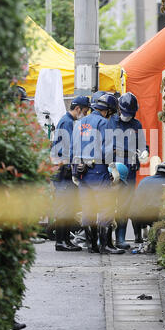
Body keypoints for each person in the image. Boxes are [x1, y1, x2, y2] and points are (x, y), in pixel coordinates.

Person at [71, 93, 117, 254]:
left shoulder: (80, 123)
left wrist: (75, 169)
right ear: (109, 110)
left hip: (83, 172)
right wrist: (112, 169)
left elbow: (74, 148)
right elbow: (108, 149)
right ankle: (105, 246)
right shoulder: (104, 123)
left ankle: (92, 246)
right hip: (99, 171)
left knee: (88, 208)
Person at [107, 92, 149, 249]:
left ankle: (120, 239)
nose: (127, 116)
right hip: (114, 166)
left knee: (125, 205)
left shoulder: (136, 125)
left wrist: (145, 151)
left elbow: (143, 144)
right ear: (119, 109)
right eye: (125, 113)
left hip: (130, 167)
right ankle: (106, 239)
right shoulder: (111, 122)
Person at [51, 96, 90, 251]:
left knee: (66, 207)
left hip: (62, 170)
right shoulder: (67, 122)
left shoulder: (67, 121)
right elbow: (66, 147)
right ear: (78, 109)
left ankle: (65, 240)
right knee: (64, 207)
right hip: (62, 171)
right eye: (85, 111)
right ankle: (61, 242)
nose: (85, 114)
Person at [131, 162, 165, 243]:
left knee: (136, 210)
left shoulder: (144, 180)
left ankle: (138, 236)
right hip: (156, 217)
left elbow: (136, 201)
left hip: (138, 216)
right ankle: (155, 237)